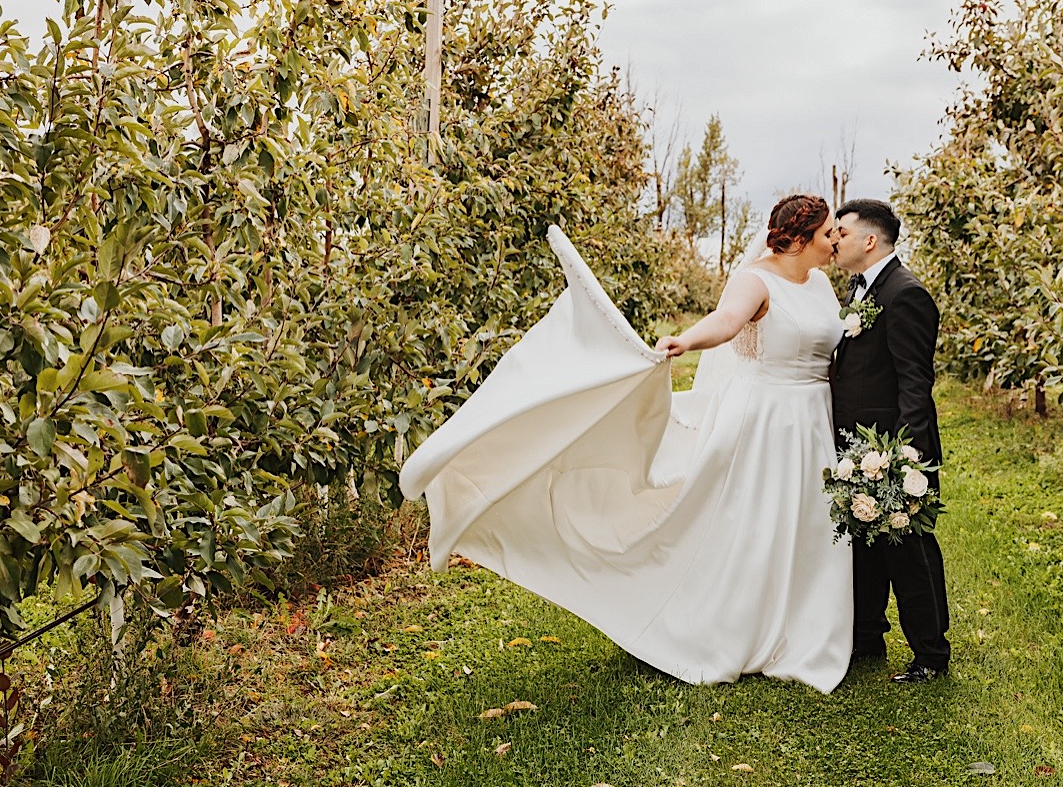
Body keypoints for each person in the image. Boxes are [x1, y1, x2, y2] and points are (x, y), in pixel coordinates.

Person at [400, 195, 853, 691]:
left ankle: (803, 626)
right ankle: (734, 624)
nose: (836, 242)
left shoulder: (822, 285)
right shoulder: (756, 280)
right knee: (757, 521)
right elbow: (726, 322)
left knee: (808, 519)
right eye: (829, 233)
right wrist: (686, 341)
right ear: (798, 236)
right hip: (767, 418)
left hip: (811, 419)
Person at [830, 198, 951, 683]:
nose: (834, 239)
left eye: (842, 231)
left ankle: (930, 655)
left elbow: (914, 381)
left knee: (911, 553)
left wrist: (908, 459)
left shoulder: (905, 294)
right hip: (861, 447)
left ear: (870, 240)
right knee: (865, 547)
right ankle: (866, 639)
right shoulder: (861, 289)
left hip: (895, 449)